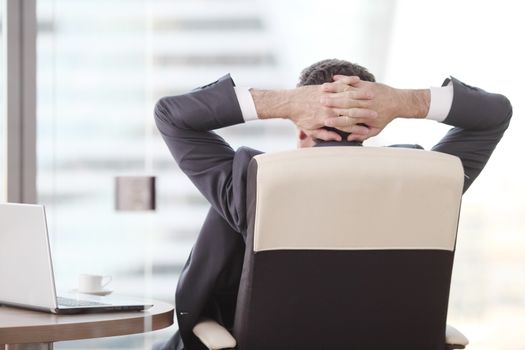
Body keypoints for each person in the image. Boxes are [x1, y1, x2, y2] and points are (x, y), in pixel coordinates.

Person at [153, 59, 512, 350]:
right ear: (373, 127)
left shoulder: (255, 180)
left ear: (302, 127)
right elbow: (494, 115)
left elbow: (171, 115)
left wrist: (286, 103)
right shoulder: (424, 181)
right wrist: (405, 102)